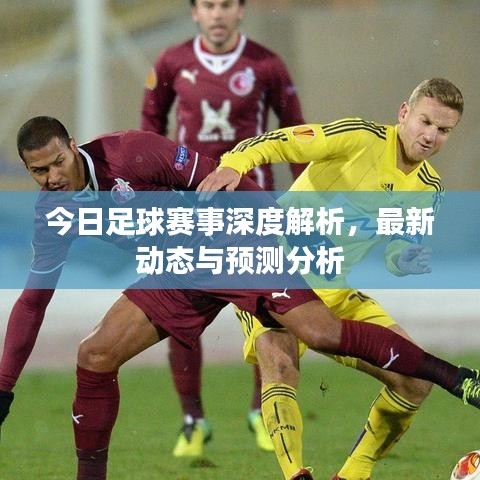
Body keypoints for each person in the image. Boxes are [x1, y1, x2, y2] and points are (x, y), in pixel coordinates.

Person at [1, 116, 480, 480]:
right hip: (177, 269)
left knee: (318, 333)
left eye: (58, 162)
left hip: (232, 241)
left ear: (72, 146)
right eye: (38, 171)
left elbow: (226, 179)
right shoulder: (52, 215)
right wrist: (4, 385)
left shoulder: (130, 153)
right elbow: (32, 303)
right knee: (95, 355)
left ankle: (453, 376)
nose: (52, 178)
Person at [197, 78, 470, 480]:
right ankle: (295, 474)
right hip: (272, 271)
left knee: (415, 380)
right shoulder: (358, 137)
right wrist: (234, 164)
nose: (430, 136)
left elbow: (398, 248)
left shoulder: (428, 189)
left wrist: (404, 260)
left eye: (443, 130)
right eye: (425, 122)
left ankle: (353, 474)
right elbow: (280, 142)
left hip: (334, 291)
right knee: (280, 363)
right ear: (404, 113)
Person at [140, 0, 306, 456]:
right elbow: (150, 128)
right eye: (208, 5)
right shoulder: (172, 62)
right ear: (195, 12)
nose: (217, 14)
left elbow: (296, 132)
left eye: (226, 5)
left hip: (254, 206)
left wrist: (306, 200)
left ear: (241, 10)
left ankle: (261, 409)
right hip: (191, 207)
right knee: (178, 311)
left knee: (269, 310)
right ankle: (193, 421)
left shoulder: (266, 64)